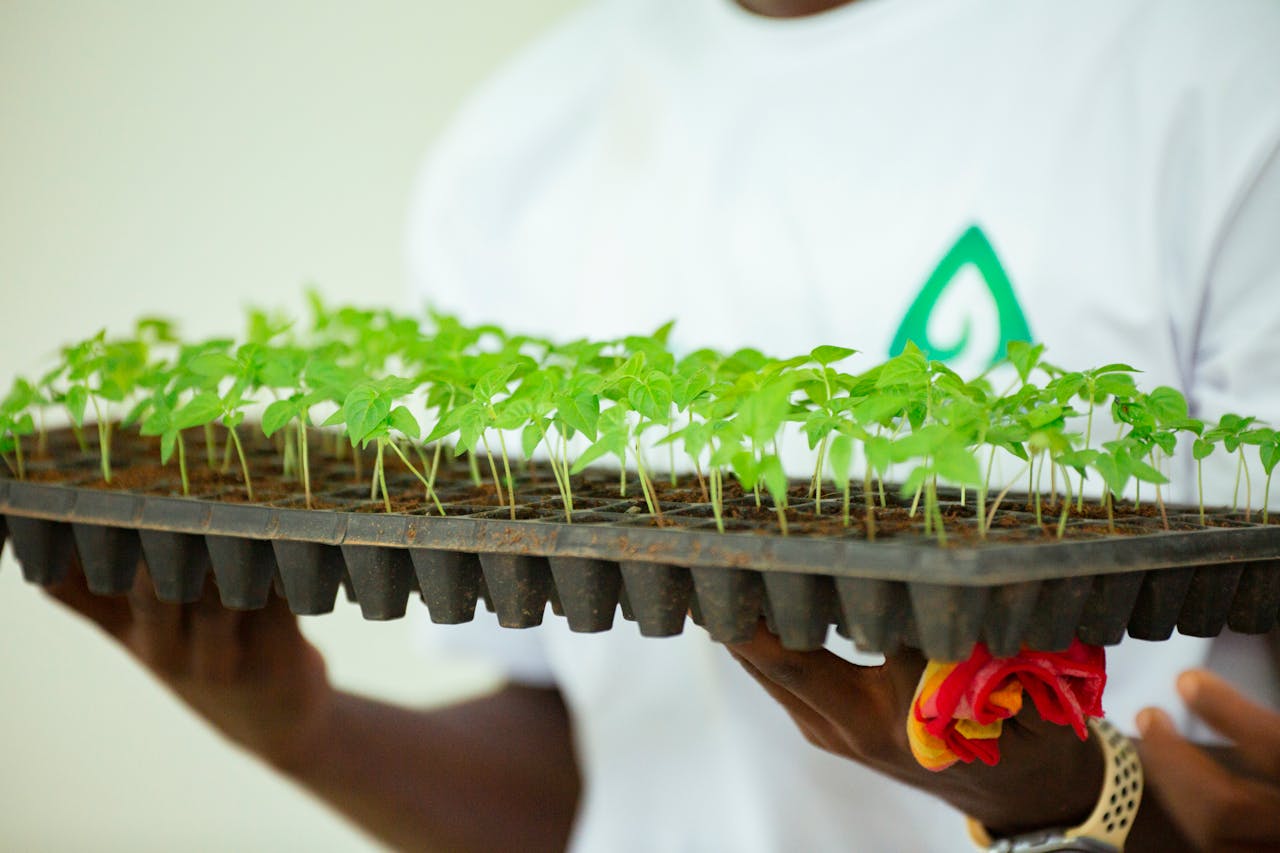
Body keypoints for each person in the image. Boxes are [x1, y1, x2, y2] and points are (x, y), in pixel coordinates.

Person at [47, 0, 1280, 850]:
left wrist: (1073, 796)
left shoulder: (1216, 72)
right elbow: (605, 770)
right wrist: (309, 733)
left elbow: (1231, 789)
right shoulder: (523, 144)